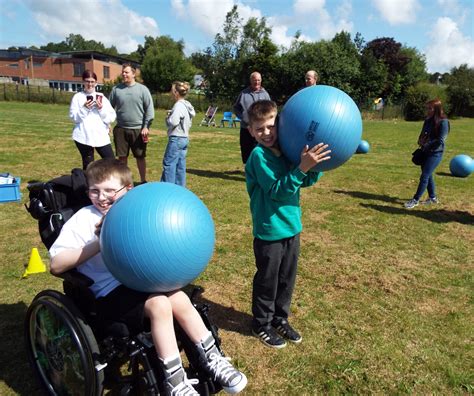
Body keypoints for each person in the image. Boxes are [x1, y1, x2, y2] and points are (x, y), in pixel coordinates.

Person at [49, 158, 247, 395]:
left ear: (127, 190)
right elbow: (56, 265)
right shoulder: (84, 219)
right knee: (160, 304)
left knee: (179, 298)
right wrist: (100, 243)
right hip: (107, 292)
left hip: (142, 280)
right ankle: (175, 381)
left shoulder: (139, 211)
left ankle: (213, 360)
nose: (101, 198)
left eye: (109, 191)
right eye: (94, 191)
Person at [245, 100, 331, 348]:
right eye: (259, 129)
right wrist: (302, 168)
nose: (266, 133)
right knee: (267, 281)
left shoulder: (286, 150)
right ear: (251, 131)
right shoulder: (259, 156)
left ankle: (280, 319)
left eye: (270, 126)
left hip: (292, 227)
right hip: (269, 231)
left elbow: (303, 181)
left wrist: (314, 166)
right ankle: (261, 323)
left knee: (286, 280)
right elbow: (277, 191)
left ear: (279, 125)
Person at [109, 63, 154, 184]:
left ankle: (143, 180)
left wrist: (146, 127)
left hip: (138, 130)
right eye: (123, 72)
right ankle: (125, 182)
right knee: (122, 158)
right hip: (121, 129)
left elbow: (149, 110)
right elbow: (108, 109)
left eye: (126, 72)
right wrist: (107, 123)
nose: (124, 74)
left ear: (134, 74)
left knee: (140, 157)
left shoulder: (142, 90)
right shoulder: (116, 89)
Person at [404, 98, 449, 209]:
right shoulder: (428, 120)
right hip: (425, 151)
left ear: (436, 109)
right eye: (427, 108)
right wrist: (420, 140)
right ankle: (432, 197)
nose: (427, 110)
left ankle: (415, 200)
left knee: (424, 176)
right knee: (428, 175)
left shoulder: (444, 122)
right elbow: (423, 132)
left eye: (430, 108)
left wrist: (428, 144)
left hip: (435, 153)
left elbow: (441, 140)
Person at [69, 70, 116, 170]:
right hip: (83, 136)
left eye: (92, 81)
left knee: (111, 162)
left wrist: (101, 109)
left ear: (96, 83)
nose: (89, 84)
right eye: (87, 81)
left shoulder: (101, 97)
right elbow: (74, 118)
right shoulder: (78, 97)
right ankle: (88, 185)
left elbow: (111, 117)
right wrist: (85, 108)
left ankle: (110, 183)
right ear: (83, 82)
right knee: (88, 165)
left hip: (100, 136)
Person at [161, 81, 195, 187]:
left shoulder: (178, 105)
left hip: (176, 137)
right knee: (180, 165)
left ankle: (168, 188)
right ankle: (180, 188)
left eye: (172, 91)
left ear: (176, 92)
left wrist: (168, 118)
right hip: (184, 138)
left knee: (169, 163)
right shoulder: (187, 105)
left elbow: (174, 122)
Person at [233, 71, 271, 164]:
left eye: (258, 80)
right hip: (246, 128)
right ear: (251, 81)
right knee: (246, 149)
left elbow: (270, 109)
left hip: (260, 130)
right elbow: (236, 107)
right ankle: (247, 170)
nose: (257, 82)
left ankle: (258, 169)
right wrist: (243, 117)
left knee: (259, 150)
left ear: (261, 81)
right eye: (255, 80)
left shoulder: (265, 94)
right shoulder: (243, 94)